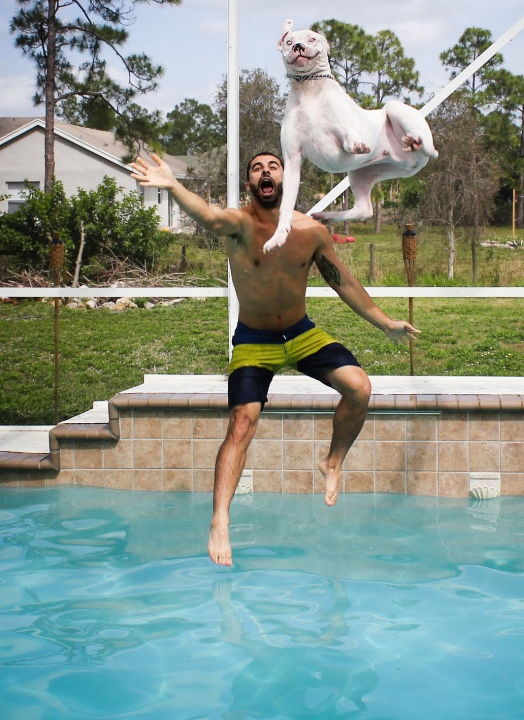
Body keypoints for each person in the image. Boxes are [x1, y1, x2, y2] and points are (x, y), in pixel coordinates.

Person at [130, 151, 419, 566]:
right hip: (254, 339)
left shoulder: (310, 230)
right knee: (242, 424)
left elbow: (344, 282)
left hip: (301, 333)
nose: (265, 172)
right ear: (250, 183)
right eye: (256, 168)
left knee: (359, 388)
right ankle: (220, 520)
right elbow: (209, 217)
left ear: (286, 178)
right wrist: (174, 186)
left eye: (273, 166)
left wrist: (383, 321)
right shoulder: (239, 225)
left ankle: (332, 461)